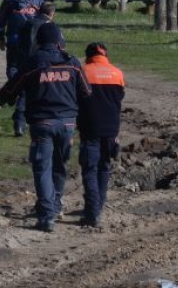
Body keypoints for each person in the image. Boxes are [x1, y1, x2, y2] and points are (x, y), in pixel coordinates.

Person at [0, 22, 91, 232]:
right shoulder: (72, 62)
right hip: (67, 124)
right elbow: (86, 92)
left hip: (42, 123)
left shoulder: (34, 62)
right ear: (59, 41)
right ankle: (55, 206)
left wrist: (1, 98)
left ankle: (47, 214)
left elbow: (14, 86)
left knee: (42, 168)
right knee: (60, 166)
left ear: (38, 41)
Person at [77, 42, 125, 228]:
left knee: (89, 169)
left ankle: (92, 212)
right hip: (111, 130)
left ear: (88, 55)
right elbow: (119, 98)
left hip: (89, 129)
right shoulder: (117, 74)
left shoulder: (83, 72)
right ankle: (98, 207)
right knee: (104, 167)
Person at [0, 0, 44, 137]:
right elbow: (43, 20)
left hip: (14, 40)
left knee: (12, 67)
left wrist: (1, 37)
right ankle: (16, 95)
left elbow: (1, 19)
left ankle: (13, 90)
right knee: (27, 74)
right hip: (31, 43)